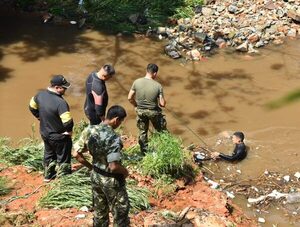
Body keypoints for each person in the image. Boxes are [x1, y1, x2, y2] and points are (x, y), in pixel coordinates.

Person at [73, 105, 130, 227]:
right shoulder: (113, 138)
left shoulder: (89, 130)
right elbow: (113, 166)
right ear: (116, 119)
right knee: (120, 214)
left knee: (100, 212)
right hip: (111, 181)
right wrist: (125, 172)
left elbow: (76, 154)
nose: (120, 124)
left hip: (96, 176)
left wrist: (91, 167)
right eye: (120, 121)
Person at [29, 75, 74, 182]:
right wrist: (69, 131)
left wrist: (39, 117)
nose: (65, 90)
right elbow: (68, 122)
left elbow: (31, 107)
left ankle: (48, 176)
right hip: (60, 136)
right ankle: (65, 181)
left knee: (49, 154)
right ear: (57, 87)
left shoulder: (39, 95)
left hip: (45, 133)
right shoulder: (61, 103)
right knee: (63, 158)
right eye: (64, 88)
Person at [128, 63, 167, 154]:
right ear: (155, 73)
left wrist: (136, 106)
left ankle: (144, 153)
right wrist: (164, 101)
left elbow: (129, 98)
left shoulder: (136, 82)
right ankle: (163, 150)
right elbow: (162, 104)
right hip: (153, 112)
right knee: (162, 131)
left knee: (142, 132)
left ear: (146, 71)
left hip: (140, 111)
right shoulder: (158, 86)